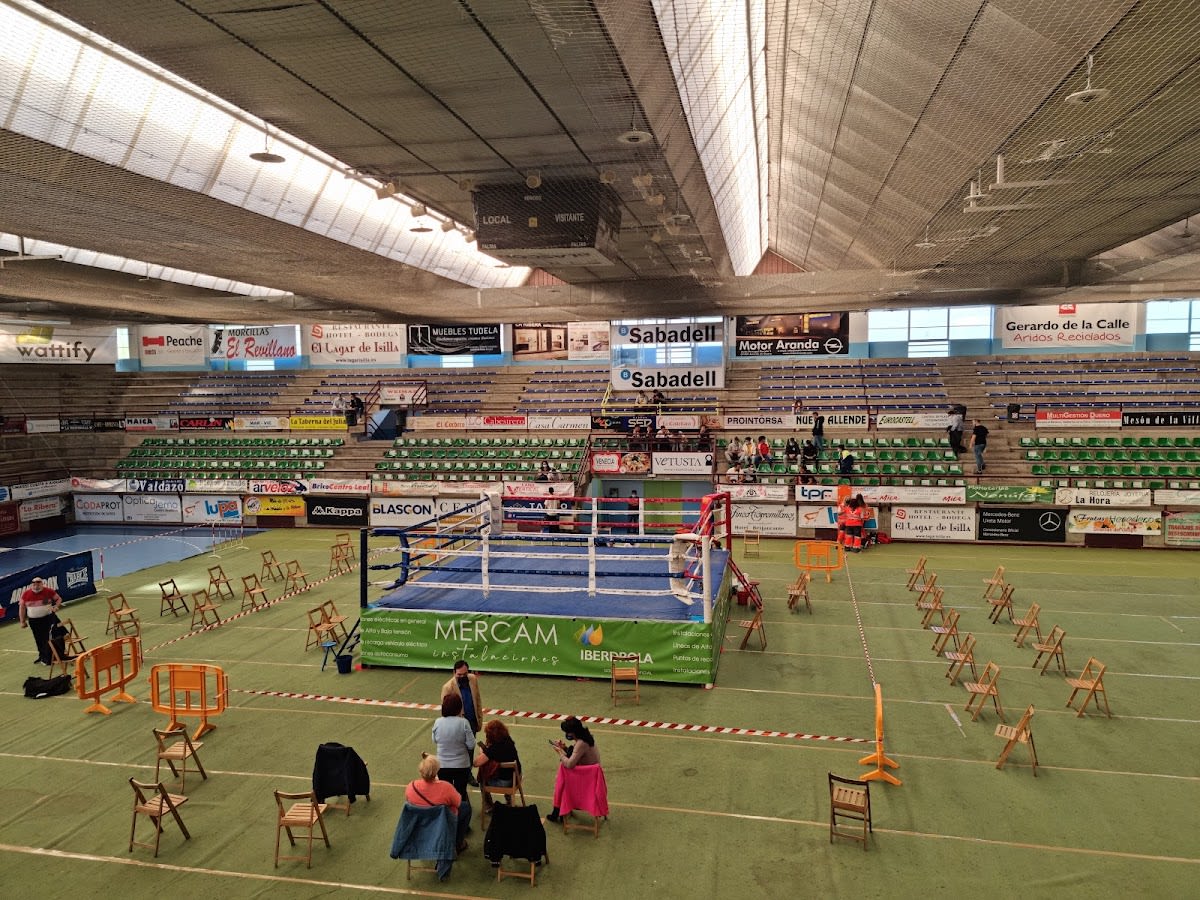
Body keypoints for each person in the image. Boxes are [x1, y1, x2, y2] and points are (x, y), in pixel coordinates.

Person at [405, 753, 469, 857]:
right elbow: (458, 802)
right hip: (440, 821)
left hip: (421, 822)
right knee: (465, 808)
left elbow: (409, 802)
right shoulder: (446, 787)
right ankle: (457, 844)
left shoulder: (411, 786)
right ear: (436, 772)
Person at [545, 717, 600, 824]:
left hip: (586, 780)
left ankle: (558, 810)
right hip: (592, 776)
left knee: (561, 777)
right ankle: (558, 811)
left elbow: (570, 764)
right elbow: (576, 755)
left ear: (572, 732)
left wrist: (560, 753)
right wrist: (564, 748)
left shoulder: (581, 744)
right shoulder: (586, 737)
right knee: (562, 775)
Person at [431, 692, 476, 803]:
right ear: (459, 707)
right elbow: (471, 745)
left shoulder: (438, 722)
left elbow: (434, 740)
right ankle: (461, 814)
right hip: (461, 765)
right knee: (461, 792)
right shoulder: (464, 723)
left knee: (446, 793)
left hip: (443, 765)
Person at [473, 720, 521, 814]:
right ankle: (509, 801)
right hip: (516, 778)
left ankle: (488, 806)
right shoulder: (508, 740)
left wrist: (482, 752)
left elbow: (476, 763)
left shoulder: (493, 750)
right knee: (504, 773)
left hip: (505, 783)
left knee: (482, 780)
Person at [19, 575, 63, 666]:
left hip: (47, 619)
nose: (36, 586)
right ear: (32, 585)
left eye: (38, 583)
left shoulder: (48, 591)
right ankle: (42, 656)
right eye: (34, 584)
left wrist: (56, 606)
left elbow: (59, 599)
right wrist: (22, 621)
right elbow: (22, 608)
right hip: (34, 621)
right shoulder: (26, 594)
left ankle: (50, 657)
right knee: (38, 638)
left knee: (48, 638)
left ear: (42, 584)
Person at [441, 660, 483, 734]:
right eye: (459, 674)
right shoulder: (447, 688)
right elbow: (446, 712)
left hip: (472, 722)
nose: (462, 677)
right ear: (454, 672)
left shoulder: (473, 679)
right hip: (457, 728)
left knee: (471, 744)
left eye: (465, 674)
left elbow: (478, 700)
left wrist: (479, 720)